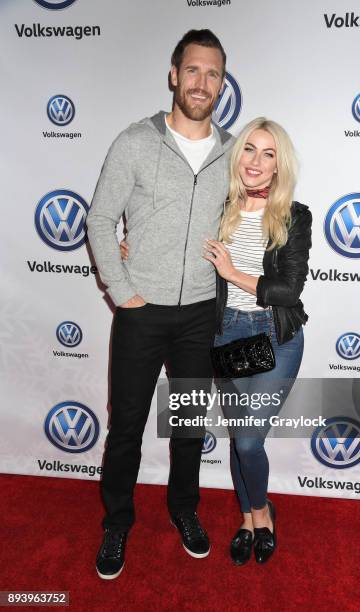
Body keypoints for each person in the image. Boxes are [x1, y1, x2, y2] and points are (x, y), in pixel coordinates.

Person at [86, 29, 234, 579]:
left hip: (200, 311)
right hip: (141, 311)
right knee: (125, 426)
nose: (202, 83)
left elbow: (253, 217)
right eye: (192, 70)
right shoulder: (134, 141)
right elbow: (100, 219)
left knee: (190, 424)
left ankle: (184, 510)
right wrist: (121, 291)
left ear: (222, 84)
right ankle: (117, 523)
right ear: (174, 75)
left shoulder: (231, 150)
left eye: (213, 74)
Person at [203, 117, 312, 565]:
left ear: (278, 167)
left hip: (275, 337)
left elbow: (289, 290)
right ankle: (248, 518)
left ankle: (263, 512)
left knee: (249, 441)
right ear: (238, 155)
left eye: (268, 154)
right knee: (238, 439)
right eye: (249, 149)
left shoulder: (293, 215)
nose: (256, 161)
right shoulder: (217, 206)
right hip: (226, 333)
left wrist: (232, 274)